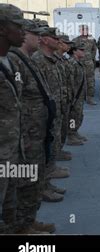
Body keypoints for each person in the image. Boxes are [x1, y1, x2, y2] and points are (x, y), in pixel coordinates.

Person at [8, 19, 56, 234]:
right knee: (24, 181)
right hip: (23, 136)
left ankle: (28, 220)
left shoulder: (26, 59)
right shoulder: (15, 61)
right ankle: (21, 227)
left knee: (33, 178)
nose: (39, 37)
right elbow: (13, 101)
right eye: (34, 34)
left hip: (35, 132)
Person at [32, 27, 70, 202]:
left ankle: (46, 183)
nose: (58, 41)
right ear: (45, 40)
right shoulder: (38, 60)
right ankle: (41, 188)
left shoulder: (51, 59)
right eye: (55, 38)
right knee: (43, 150)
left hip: (54, 108)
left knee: (51, 145)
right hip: (43, 112)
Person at [0, 3, 28, 233]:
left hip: (11, 150)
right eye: (17, 26)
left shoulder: (10, 61)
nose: (23, 32)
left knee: (11, 199)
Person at [67, 43, 88, 148]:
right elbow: (70, 82)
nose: (83, 51)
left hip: (79, 95)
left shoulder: (78, 63)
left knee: (78, 115)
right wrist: (72, 97)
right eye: (81, 49)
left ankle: (74, 132)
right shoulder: (72, 63)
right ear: (74, 51)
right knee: (73, 116)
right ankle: (70, 135)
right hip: (74, 96)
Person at [72, 25, 97, 105]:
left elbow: (94, 50)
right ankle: (79, 97)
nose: (84, 31)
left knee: (90, 81)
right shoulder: (75, 40)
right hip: (78, 63)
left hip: (89, 63)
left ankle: (90, 98)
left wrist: (91, 58)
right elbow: (72, 51)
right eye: (82, 29)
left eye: (86, 29)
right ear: (80, 30)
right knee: (78, 80)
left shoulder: (91, 40)